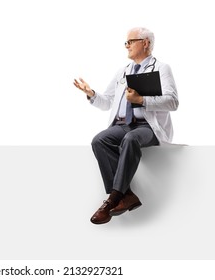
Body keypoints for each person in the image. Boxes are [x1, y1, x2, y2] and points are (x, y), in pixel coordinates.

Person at [73, 27, 178, 224]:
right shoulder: (123, 71)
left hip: (148, 127)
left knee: (131, 139)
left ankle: (112, 199)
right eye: (126, 43)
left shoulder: (162, 68)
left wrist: (142, 100)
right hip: (122, 124)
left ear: (145, 43)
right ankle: (126, 195)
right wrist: (91, 93)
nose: (127, 46)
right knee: (99, 140)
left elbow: (173, 102)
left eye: (131, 41)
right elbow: (107, 102)